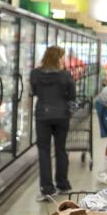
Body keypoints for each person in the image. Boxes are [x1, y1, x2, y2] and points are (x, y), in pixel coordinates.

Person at [30, 46, 76, 201]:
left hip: (42, 115)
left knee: (44, 151)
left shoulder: (35, 73)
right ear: (58, 58)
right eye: (63, 57)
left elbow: (34, 92)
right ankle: (63, 184)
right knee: (60, 149)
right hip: (62, 115)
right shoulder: (65, 75)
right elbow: (72, 96)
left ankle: (47, 189)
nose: (64, 60)